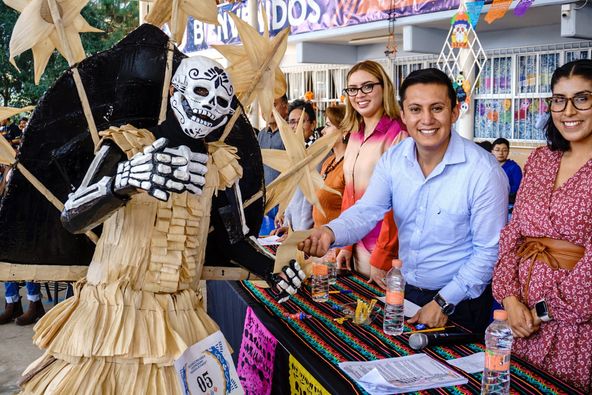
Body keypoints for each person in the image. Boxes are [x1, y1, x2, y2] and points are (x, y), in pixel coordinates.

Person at [299, 68, 509, 333]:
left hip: (461, 301)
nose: (427, 119)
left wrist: (444, 302)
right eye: (415, 109)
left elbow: (488, 252)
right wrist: (329, 233)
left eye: (437, 108)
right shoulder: (395, 159)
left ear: (455, 112)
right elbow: (367, 210)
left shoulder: (483, 171)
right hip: (407, 292)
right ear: (403, 114)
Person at [492, 59, 592, 392]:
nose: (568, 110)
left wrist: (539, 312)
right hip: (518, 321)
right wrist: (508, 298)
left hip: (575, 331)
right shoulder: (540, 158)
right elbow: (513, 233)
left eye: (582, 98)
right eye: (559, 100)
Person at [336, 60, 406, 281]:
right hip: (356, 248)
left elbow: (398, 205)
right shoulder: (355, 134)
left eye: (367, 86)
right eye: (353, 89)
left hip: (384, 254)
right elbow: (350, 194)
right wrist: (346, 243)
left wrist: (382, 257)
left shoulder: (398, 135)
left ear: (384, 87)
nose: (359, 94)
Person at [280, 100, 318, 231]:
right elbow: (292, 193)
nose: (297, 126)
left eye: (302, 121)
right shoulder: (295, 152)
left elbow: (310, 201)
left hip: (309, 235)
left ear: (313, 124)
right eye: (292, 122)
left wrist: (298, 236)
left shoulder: (319, 152)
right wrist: (287, 225)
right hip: (294, 230)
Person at [312, 104, 348, 227]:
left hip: (336, 242)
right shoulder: (328, 161)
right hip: (319, 240)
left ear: (344, 131)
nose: (322, 131)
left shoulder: (350, 165)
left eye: (328, 125)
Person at [257, 94, 289, 235]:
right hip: (265, 201)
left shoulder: (289, 134)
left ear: (285, 107)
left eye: (273, 104)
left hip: (283, 202)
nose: (268, 110)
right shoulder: (261, 135)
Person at [491, 137, 522, 205]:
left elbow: (518, 187)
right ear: (492, 151)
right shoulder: (490, 167)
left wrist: (500, 191)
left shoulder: (514, 167)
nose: (501, 153)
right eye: (497, 150)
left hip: (508, 203)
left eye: (504, 150)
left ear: (508, 152)